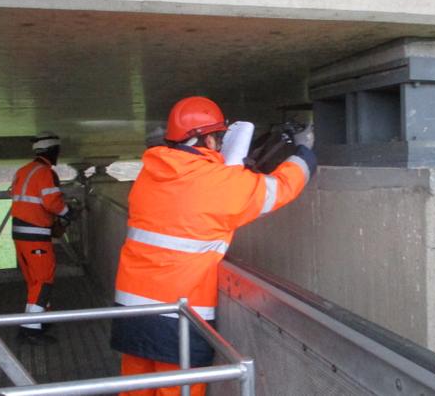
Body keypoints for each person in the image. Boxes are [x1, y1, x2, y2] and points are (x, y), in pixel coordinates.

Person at [110, 96, 316, 396]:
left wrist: (227, 169)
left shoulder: (150, 174)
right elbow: (280, 188)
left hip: (130, 308)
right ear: (208, 139)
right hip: (177, 314)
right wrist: (304, 152)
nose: (219, 144)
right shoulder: (217, 184)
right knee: (176, 391)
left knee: (135, 390)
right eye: (218, 138)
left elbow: (195, 192)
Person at [10, 131, 72, 345]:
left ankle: (40, 320)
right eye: (58, 151)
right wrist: (67, 213)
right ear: (53, 151)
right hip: (35, 234)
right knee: (44, 280)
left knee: (34, 280)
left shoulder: (23, 170)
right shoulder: (45, 172)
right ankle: (30, 330)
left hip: (20, 233)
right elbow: (52, 201)